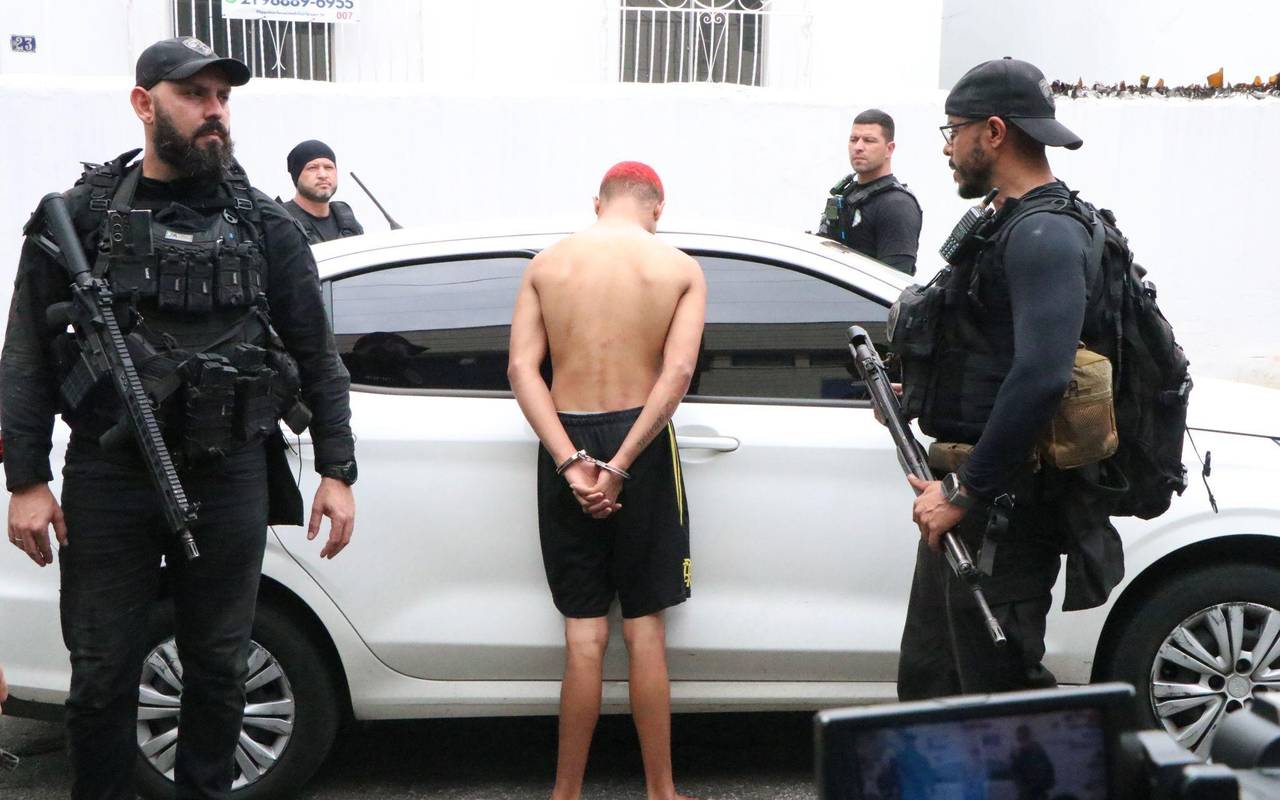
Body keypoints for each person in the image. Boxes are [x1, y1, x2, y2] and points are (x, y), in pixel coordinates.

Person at [2, 37, 357, 799]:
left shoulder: (266, 224)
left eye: (222, 97)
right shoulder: (79, 217)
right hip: (109, 473)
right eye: (195, 95)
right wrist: (26, 480)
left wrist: (338, 468)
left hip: (230, 471)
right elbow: (27, 354)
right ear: (144, 103)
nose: (214, 111)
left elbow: (316, 352)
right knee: (101, 676)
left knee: (220, 669)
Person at [891, 57, 1124, 700]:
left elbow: (1042, 375)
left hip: (1003, 512)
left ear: (993, 132)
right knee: (933, 691)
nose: (948, 146)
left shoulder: (1045, 232)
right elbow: (987, 349)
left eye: (954, 129)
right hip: (974, 503)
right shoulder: (1003, 221)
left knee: (992, 706)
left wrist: (964, 489)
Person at [508, 161, 705, 800]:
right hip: (640, 444)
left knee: (584, 634)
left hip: (565, 436)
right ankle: (662, 791)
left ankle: (565, 794)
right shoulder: (678, 269)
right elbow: (674, 377)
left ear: (598, 203)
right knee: (643, 628)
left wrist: (571, 461)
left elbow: (521, 370)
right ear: (658, 205)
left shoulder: (547, 266)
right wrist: (620, 465)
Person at [816, 108, 922, 274]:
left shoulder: (897, 205)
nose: (858, 147)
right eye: (854, 139)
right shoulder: (847, 193)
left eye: (869, 140)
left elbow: (895, 283)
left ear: (889, 149)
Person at [282, 139, 364, 243]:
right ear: (296, 176)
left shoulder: (350, 224)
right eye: (312, 168)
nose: (323, 175)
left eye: (329, 167)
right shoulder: (281, 223)